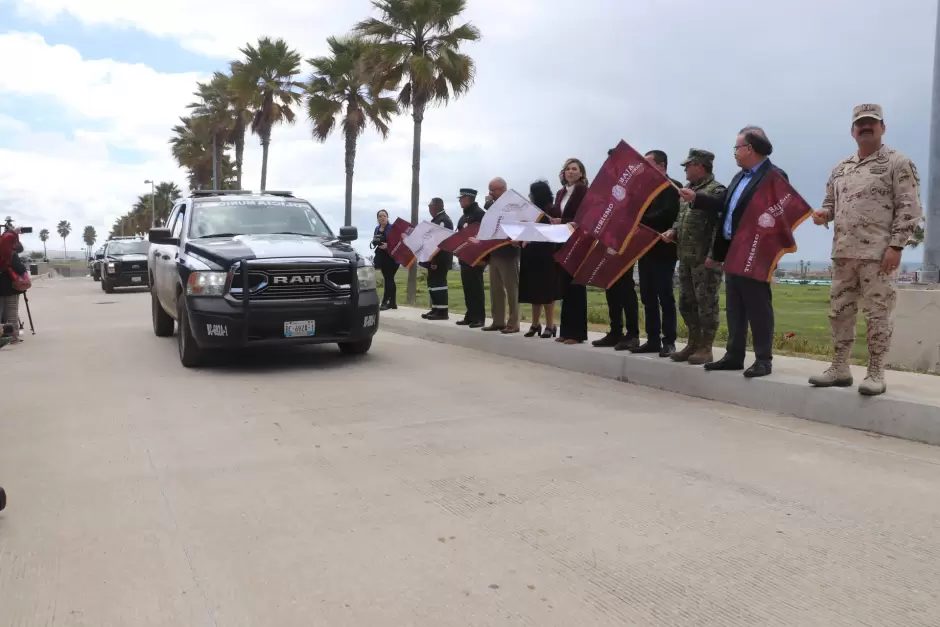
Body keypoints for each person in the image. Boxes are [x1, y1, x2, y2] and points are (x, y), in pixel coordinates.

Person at [809, 104, 923, 396]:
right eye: (861, 124)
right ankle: (839, 367)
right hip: (843, 254)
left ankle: (875, 372)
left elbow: (909, 208)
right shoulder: (841, 167)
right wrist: (823, 214)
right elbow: (830, 205)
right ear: (852, 131)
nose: (866, 127)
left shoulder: (898, 162)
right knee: (839, 313)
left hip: (878, 256)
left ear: (883, 127)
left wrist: (896, 246)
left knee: (878, 315)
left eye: (872, 123)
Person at [679, 125, 787, 378]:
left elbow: (777, 215)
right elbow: (724, 207)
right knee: (735, 307)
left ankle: (763, 359)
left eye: (737, 148)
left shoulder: (774, 176)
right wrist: (696, 198)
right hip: (733, 253)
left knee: (758, 307)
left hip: (755, 254)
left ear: (749, 148)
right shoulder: (740, 177)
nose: (734, 153)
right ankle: (734, 355)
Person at [663, 149, 727, 365]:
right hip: (686, 257)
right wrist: (673, 231)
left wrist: (714, 255)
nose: (685, 170)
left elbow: (720, 226)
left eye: (687, 165)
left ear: (699, 166)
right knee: (686, 303)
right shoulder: (687, 190)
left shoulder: (716, 191)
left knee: (706, 304)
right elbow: (681, 219)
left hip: (704, 259)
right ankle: (693, 342)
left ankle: (706, 347)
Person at [630, 150, 681, 357]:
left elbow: (666, 215)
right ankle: (652, 339)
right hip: (645, 249)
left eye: (649, 163)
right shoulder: (644, 189)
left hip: (665, 250)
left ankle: (669, 341)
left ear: (661, 166)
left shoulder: (673, 187)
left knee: (664, 295)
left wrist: (640, 222)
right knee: (647, 295)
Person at [593, 150, 641, 352]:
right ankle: (615, 331)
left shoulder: (636, 185)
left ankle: (633, 334)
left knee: (626, 289)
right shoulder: (608, 185)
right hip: (607, 240)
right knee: (610, 287)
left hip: (627, 242)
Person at [553, 158, 589, 345]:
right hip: (561, 242)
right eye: (567, 169)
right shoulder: (560, 193)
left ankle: (577, 333)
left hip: (578, 243)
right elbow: (556, 213)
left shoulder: (583, 191)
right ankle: (565, 330)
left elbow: (585, 216)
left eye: (574, 169)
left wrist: (564, 220)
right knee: (564, 287)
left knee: (576, 288)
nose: (571, 172)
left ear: (581, 173)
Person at [519, 180, 561, 338]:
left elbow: (555, 231)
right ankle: (535, 324)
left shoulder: (552, 209)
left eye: (532, 193)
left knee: (547, 292)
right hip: (531, 253)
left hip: (546, 254)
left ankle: (550, 325)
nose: (530, 196)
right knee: (534, 291)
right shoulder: (530, 210)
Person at [481, 177, 521, 334]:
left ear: (503, 188)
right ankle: (498, 321)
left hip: (508, 251)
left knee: (512, 288)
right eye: (489, 189)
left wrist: (489, 203)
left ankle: (514, 322)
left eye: (493, 190)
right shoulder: (493, 205)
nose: (490, 193)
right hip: (494, 250)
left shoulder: (511, 203)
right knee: (495, 288)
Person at [456, 188, 487, 328]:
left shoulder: (480, 214)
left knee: (476, 288)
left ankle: (479, 318)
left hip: (476, 257)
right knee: (468, 288)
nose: (460, 201)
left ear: (469, 198)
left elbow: (485, 237)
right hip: (464, 257)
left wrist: (484, 257)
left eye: (461, 198)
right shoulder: (463, 217)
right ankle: (470, 315)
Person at [422, 197, 454, 321]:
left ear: (437, 206)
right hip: (433, 257)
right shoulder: (436, 220)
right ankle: (436, 308)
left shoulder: (443, 221)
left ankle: (442, 311)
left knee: (439, 283)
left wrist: (434, 259)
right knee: (432, 283)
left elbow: (439, 242)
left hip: (440, 258)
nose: (429, 209)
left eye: (431, 206)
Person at [370, 209, 399, 311]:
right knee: (389, 279)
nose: (382, 218)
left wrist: (388, 246)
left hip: (392, 257)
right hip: (382, 257)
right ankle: (393, 302)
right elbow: (375, 240)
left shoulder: (392, 228)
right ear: (377, 218)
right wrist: (375, 242)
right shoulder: (377, 228)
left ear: (387, 217)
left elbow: (398, 242)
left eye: (384, 216)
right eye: (380, 216)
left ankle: (385, 302)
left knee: (388, 278)